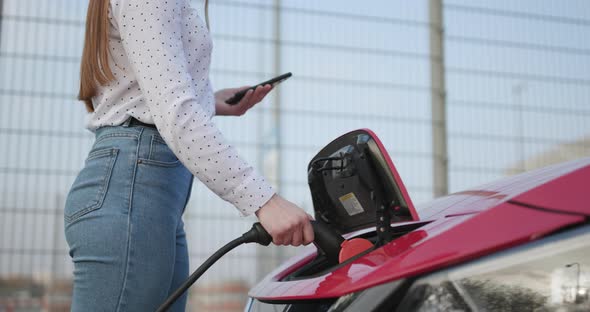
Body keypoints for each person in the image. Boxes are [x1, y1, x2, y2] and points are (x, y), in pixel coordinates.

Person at [63, 0, 314, 311]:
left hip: (150, 194)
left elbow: (149, 95)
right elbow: (175, 113)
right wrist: (265, 201)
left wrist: (211, 101)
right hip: (133, 189)